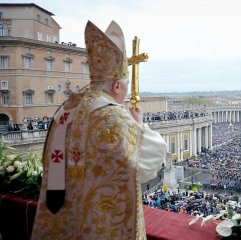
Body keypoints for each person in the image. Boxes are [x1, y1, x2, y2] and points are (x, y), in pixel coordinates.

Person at [31, 20, 167, 239]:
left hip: (64, 219)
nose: (123, 94)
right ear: (116, 86)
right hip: (103, 226)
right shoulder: (113, 115)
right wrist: (139, 125)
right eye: (125, 88)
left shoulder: (64, 111)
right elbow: (150, 160)